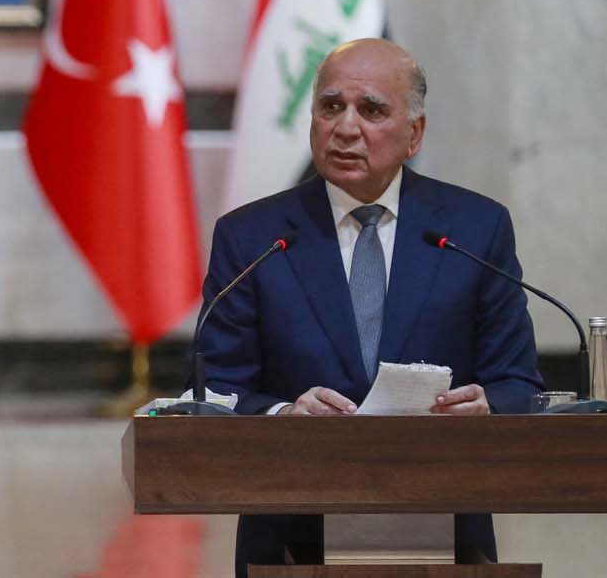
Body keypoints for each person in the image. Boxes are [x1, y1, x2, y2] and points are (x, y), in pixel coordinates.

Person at [198, 38, 542, 574]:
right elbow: (216, 385)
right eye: (330, 106)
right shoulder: (251, 237)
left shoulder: (475, 229)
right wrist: (282, 413)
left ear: (414, 134)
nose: (346, 127)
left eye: (372, 110)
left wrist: (486, 407)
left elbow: (518, 382)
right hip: (291, 527)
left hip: (442, 521)